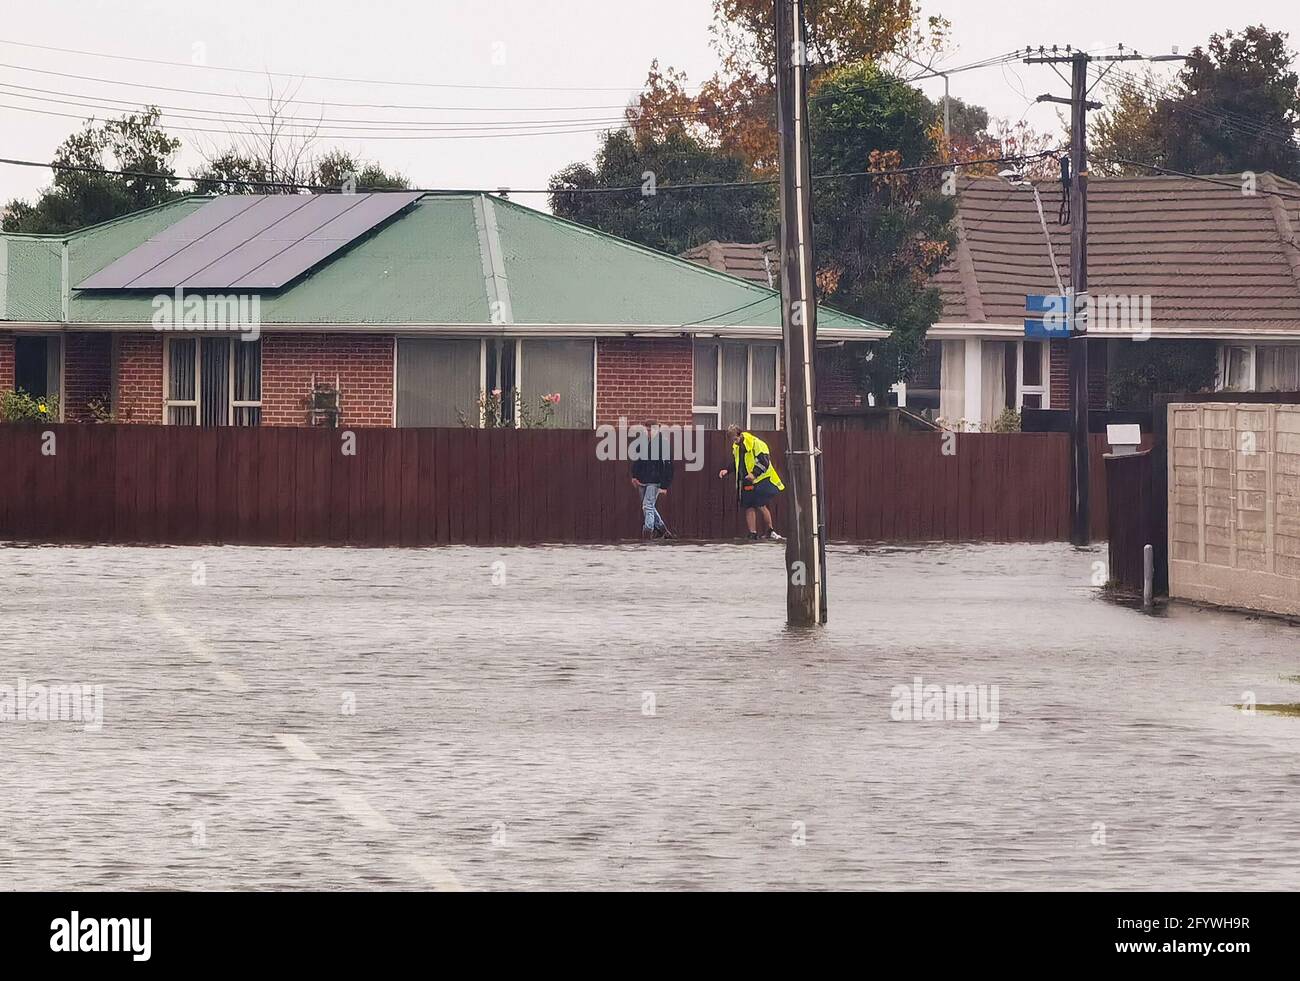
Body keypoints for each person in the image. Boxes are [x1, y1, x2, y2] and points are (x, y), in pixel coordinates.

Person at [718, 424, 784, 541]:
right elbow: (736, 462)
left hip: (761, 479)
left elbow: (764, 462)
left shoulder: (756, 443)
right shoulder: (736, 447)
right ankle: (752, 533)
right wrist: (727, 470)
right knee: (748, 506)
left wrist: (754, 474)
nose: (734, 442)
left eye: (735, 439)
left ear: (740, 434)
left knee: (760, 505)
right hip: (746, 480)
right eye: (732, 440)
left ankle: (770, 530)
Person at [630, 420, 675, 540]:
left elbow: (668, 466)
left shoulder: (663, 444)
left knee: (647, 506)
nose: (649, 432)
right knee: (649, 506)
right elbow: (637, 460)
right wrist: (634, 476)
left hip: (655, 480)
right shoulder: (643, 442)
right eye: (647, 429)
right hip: (643, 480)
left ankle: (647, 533)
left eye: (651, 429)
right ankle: (663, 531)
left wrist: (664, 485)